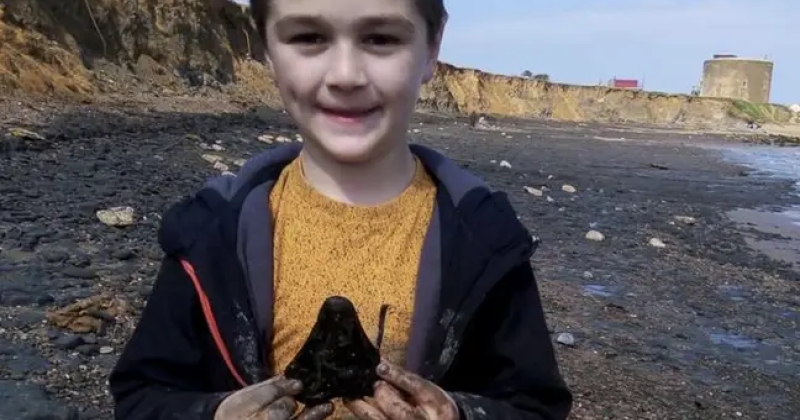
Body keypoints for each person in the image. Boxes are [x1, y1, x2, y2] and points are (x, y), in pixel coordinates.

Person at [108, 0, 574, 419]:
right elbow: (142, 395)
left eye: (381, 38)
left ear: (432, 48)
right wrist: (214, 415)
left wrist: (461, 414)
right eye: (308, 37)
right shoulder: (210, 234)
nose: (346, 74)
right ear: (267, 49)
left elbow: (535, 405)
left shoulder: (485, 240)